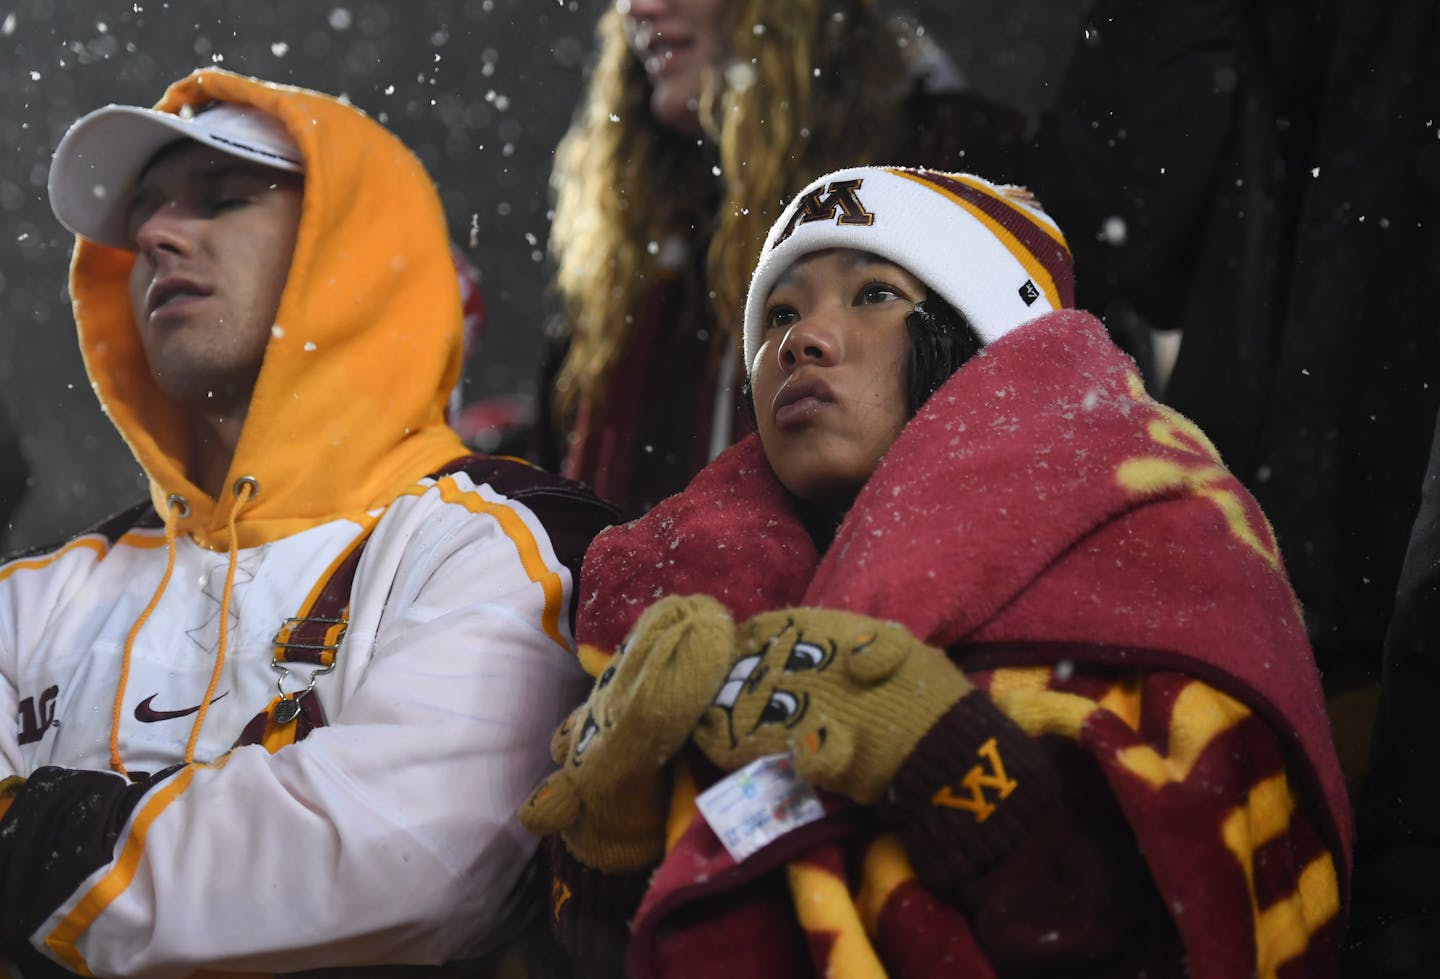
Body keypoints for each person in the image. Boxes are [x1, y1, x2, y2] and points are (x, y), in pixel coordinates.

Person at [521, 166, 1351, 977]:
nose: (799, 339)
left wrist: (950, 761)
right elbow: (609, 951)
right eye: (777, 314)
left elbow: (1193, 927)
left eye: (873, 292)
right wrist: (615, 838)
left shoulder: (1154, 537)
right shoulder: (684, 596)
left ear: (980, 337)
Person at [0, 68, 616, 976]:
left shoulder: (508, 538)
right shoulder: (33, 596)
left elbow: (399, 862)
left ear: (351, 249)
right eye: (147, 217)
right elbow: (298, 872)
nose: (158, 236)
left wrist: (27, 835)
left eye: (223, 199)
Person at [533, 0, 1028, 516]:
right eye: (782, 315)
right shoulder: (634, 237)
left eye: (872, 295)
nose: (640, 7)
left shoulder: (950, 169)